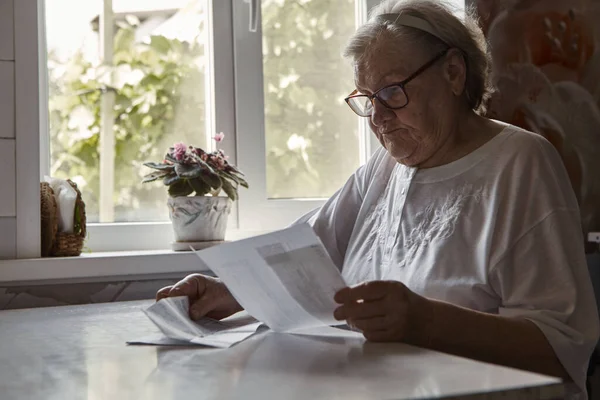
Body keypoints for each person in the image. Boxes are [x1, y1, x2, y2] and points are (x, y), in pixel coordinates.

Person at [157, 0, 599, 397]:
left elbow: (560, 347)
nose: (379, 118)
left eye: (392, 92)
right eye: (368, 99)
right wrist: (225, 291)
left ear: (453, 72)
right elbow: (301, 257)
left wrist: (425, 322)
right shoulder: (383, 171)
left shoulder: (521, 163)